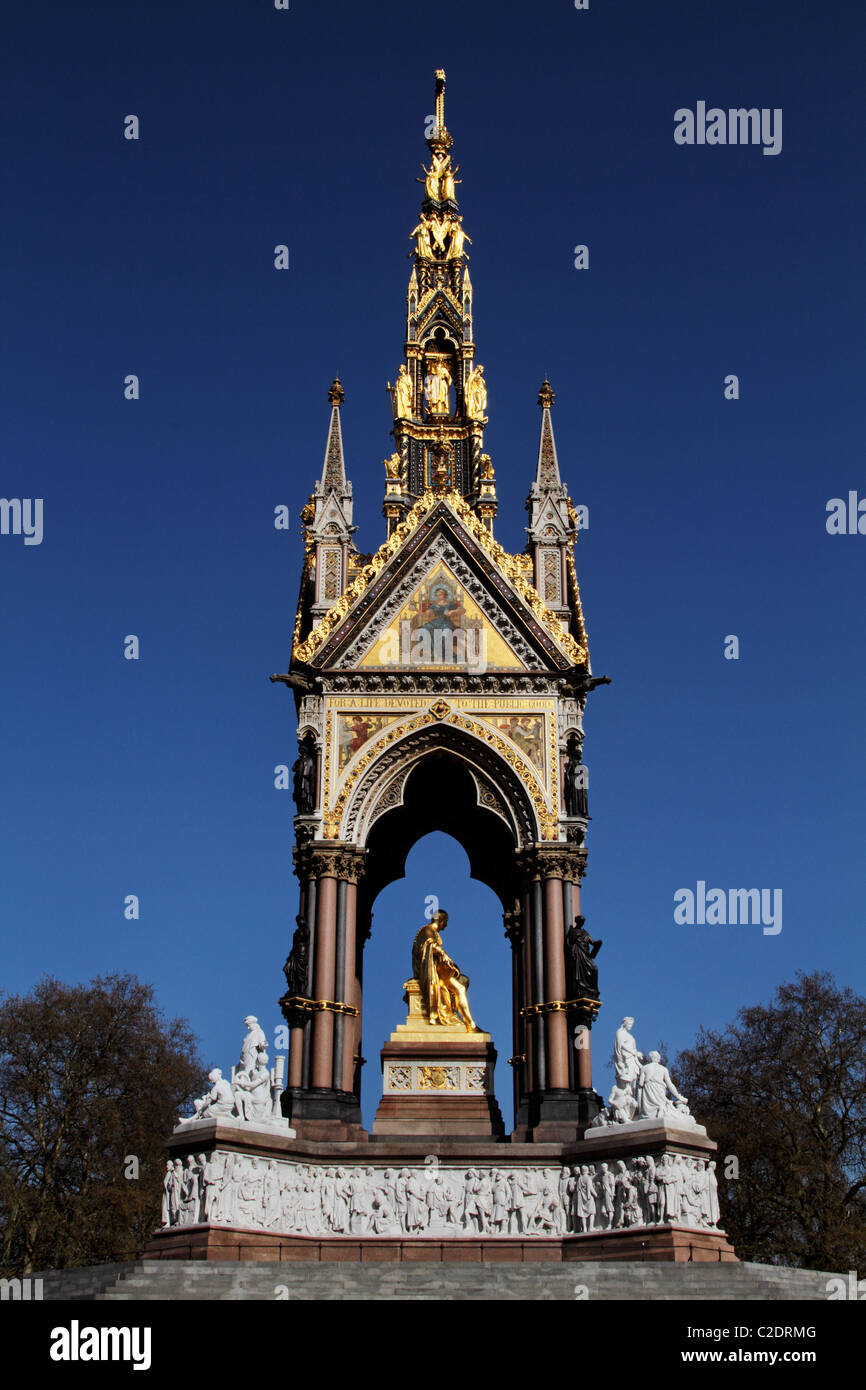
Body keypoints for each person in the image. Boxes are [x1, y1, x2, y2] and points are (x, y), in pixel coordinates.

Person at [411, 909, 480, 1031]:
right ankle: (471, 1025)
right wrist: (444, 954)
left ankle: (467, 1021)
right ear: (440, 920)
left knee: (463, 982)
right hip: (433, 974)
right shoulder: (427, 930)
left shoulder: (432, 932)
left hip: (438, 972)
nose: (446, 925)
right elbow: (430, 946)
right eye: (445, 922)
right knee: (460, 988)